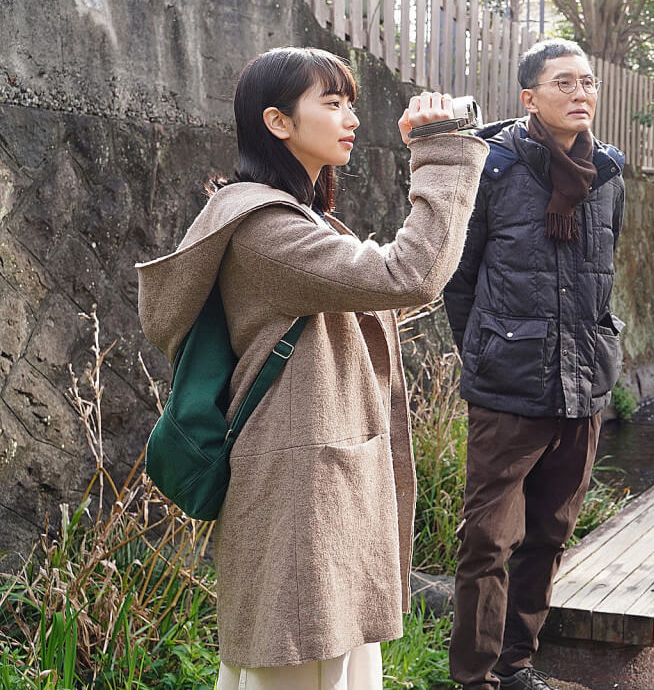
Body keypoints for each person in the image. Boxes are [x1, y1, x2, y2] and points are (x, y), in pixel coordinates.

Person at [136, 47, 488, 689]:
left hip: (321, 487)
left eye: (350, 102)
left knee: (332, 665)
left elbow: (395, 287)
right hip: (300, 497)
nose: (350, 118)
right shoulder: (266, 230)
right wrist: (442, 151)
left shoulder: (302, 219)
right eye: (331, 103)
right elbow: (409, 274)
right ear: (278, 122)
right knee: (297, 668)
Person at [443, 38, 626, 690]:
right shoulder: (491, 167)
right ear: (529, 97)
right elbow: (458, 277)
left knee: (550, 532)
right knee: (488, 540)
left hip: (584, 384)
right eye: (564, 83)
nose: (581, 93)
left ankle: (517, 663)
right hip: (507, 386)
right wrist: (488, 349)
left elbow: (603, 272)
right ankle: (474, 676)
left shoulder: (608, 173)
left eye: (588, 82)